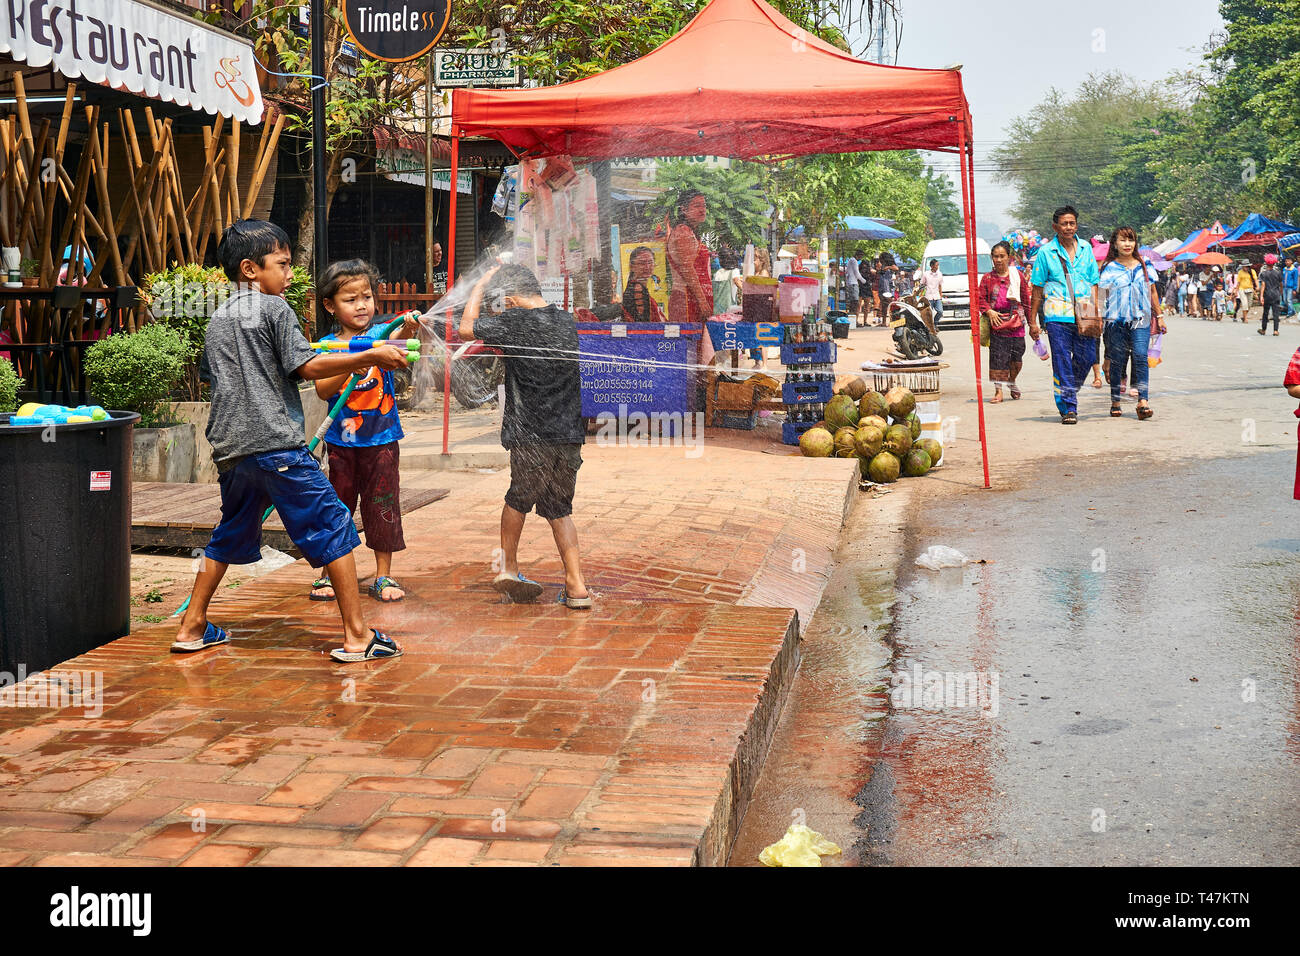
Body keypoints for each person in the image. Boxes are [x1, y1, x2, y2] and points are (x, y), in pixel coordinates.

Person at [170, 220, 408, 663]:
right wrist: (372, 354)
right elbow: (307, 367)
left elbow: (221, 377)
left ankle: (192, 625)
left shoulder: (219, 316)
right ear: (249, 269)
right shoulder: (274, 308)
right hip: (275, 446)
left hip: (230, 450)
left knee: (228, 533)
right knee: (335, 525)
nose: (290, 273)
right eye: (282, 264)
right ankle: (358, 637)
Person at [461, 262, 591, 610]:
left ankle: (509, 568)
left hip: (530, 435)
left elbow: (465, 329)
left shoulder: (514, 322)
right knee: (559, 508)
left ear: (511, 298)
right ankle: (576, 585)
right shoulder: (565, 320)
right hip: (568, 434)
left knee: (518, 497)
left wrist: (481, 283)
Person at [307, 260, 419, 605]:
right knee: (337, 507)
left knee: (382, 505)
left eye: (367, 297)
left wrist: (409, 327)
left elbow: (402, 341)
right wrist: (361, 358)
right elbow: (324, 390)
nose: (361, 306)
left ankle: (383, 573)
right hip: (342, 444)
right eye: (350, 299)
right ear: (330, 305)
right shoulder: (328, 346)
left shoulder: (379, 336)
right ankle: (329, 572)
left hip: (382, 440)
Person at [1029, 205, 1100, 425]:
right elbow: (1037, 288)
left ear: (1076, 225)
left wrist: (1097, 311)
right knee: (1061, 361)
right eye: (1064, 223)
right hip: (1057, 314)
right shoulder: (1045, 252)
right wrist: (1032, 321)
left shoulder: (1086, 248)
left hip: (1085, 311)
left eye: (1072, 223)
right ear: (1055, 226)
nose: (1068, 227)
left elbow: (1094, 282)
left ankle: (1068, 390)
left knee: (1087, 357)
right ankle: (1069, 407)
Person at [1099, 226, 1165, 420]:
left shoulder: (1144, 264)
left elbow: (1152, 291)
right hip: (1115, 321)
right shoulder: (1108, 267)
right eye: (1123, 240)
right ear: (1115, 243)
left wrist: (1159, 316)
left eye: (1131, 240)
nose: (1127, 244)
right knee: (1117, 360)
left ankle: (1143, 401)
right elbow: (1102, 295)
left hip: (1141, 319)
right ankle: (1115, 401)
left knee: (1140, 356)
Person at [978, 241, 1031, 402]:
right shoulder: (987, 278)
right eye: (996, 256)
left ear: (1009, 257)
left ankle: (1011, 380)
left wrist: (1033, 323)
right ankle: (998, 391)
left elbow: (1026, 299)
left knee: (1017, 358)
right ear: (992, 258)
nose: (999, 260)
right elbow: (979, 298)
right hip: (997, 324)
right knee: (997, 359)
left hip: (1016, 323)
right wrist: (989, 311)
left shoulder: (1018, 276)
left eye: (1002, 256)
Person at [666, 191, 714, 368]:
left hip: (695, 298)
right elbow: (688, 269)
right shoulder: (682, 232)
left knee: (697, 351)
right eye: (697, 206)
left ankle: (697, 392)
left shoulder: (691, 232)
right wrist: (702, 301)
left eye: (704, 205)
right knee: (688, 352)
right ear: (683, 210)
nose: (703, 210)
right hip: (686, 300)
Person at [618, 245, 664, 323]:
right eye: (642, 263)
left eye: (650, 262)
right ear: (632, 266)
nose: (647, 267)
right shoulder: (637, 289)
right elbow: (642, 323)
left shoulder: (635, 287)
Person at [1259, 254, 1284, 336]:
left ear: (1266, 263)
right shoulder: (1278, 273)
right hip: (1276, 294)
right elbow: (1281, 284)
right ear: (1274, 263)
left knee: (1265, 313)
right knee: (1276, 313)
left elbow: (1263, 285)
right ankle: (1275, 330)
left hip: (1267, 295)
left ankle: (1263, 329)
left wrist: (1261, 296)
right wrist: (1280, 292)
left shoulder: (1264, 274)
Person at [845, 249, 864, 327]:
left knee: (853, 303)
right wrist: (864, 281)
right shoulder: (854, 261)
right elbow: (857, 273)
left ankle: (853, 320)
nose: (861, 258)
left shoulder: (850, 260)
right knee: (855, 303)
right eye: (861, 256)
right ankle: (853, 321)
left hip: (851, 283)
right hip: (853, 283)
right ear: (858, 255)